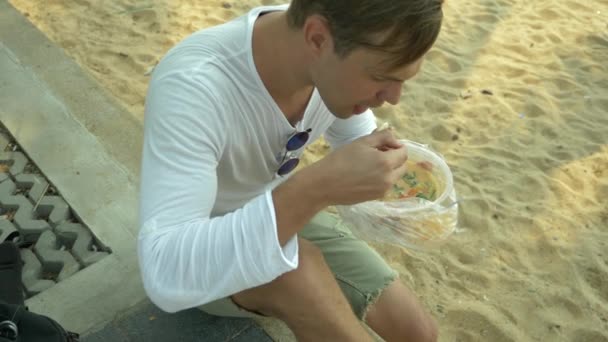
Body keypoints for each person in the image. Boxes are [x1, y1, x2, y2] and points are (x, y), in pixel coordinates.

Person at [138, 0, 444, 341]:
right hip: (207, 246)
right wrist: (318, 187)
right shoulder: (194, 87)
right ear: (317, 38)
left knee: (419, 332)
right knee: (301, 273)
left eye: (403, 79)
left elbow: (355, 138)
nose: (394, 97)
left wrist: (398, 184)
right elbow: (166, 271)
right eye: (381, 77)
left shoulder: (335, 44)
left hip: (283, 205)